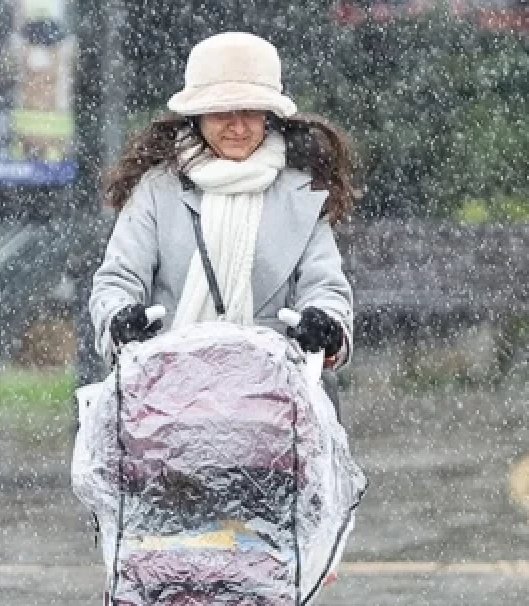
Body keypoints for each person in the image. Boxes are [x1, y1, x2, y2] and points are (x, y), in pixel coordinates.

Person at [90, 31, 357, 377]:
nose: (238, 127)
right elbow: (117, 281)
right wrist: (121, 320)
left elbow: (326, 289)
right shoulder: (157, 190)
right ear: (197, 116)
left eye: (251, 111)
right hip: (166, 400)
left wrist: (326, 329)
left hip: (276, 401)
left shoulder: (302, 194)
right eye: (222, 112)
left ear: (269, 115)